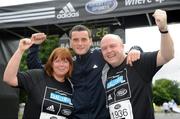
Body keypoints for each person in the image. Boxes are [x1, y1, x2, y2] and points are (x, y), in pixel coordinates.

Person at [26, 25, 141, 119]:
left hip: (102, 116)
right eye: (76, 40)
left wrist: (135, 49)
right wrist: (34, 46)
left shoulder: (101, 55)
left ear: (90, 41)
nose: (80, 43)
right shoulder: (68, 64)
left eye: (84, 39)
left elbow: (120, 53)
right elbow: (37, 69)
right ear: (70, 43)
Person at [100, 9, 174, 119]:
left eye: (112, 46)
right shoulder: (106, 73)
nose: (109, 51)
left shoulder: (137, 61)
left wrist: (164, 30)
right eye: (104, 48)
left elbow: (166, 55)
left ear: (122, 47)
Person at [3, 38, 74, 119]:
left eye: (65, 61)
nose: (61, 65)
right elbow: (9, 79)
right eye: (57, 61)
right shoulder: (37, 76)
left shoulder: (72, 86)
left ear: (70, 65)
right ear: (51, 63)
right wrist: (20, 50)